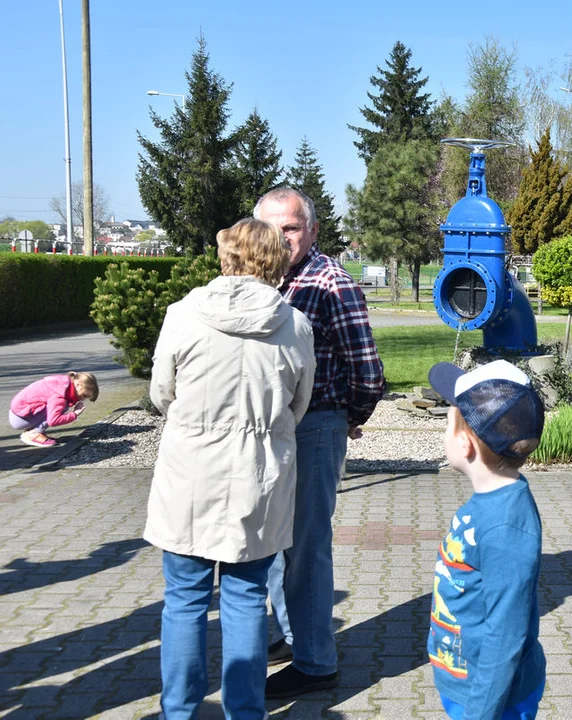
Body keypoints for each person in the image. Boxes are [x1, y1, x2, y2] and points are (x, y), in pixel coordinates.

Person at [144, 218, 315, 719]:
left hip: (189, 475)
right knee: (245, 598)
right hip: (259, 475)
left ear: (226, 258)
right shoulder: (294, 324)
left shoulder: (183, 314)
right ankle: (245, 711)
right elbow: (299, 404)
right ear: (275, 261)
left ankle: (179, 711)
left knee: (184, 600)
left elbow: (161, 393)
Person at [253, 186, 387, 698]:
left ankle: (315, 663)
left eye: (290, 227)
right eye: (271, 228)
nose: (280, 238)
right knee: (275, 542)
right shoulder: (266, 279)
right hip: (277, 426)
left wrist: (348, 416)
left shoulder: (331, 282)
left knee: (306, 547)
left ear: (310, 230)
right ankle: (296, 636)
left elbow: (368, 369)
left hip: (316, 425)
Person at [425, 359, 547, 720]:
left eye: (448, 425)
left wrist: (481, 711)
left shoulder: (505, 526)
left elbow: (506, 634)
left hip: (492, 700)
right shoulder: (488, 504)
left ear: (465, 444)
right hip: (467, 682)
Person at [9, 371, 98, 447]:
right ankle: (32, 434)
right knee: (62, 407)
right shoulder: (60, 395)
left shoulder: (61, 384)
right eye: (84, 395)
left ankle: (34, 430)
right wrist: (74, 414)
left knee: (60, 406)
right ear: (78, 385)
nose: (82, 399)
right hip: (21, 418)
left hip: (19, 411)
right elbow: (53, 420)